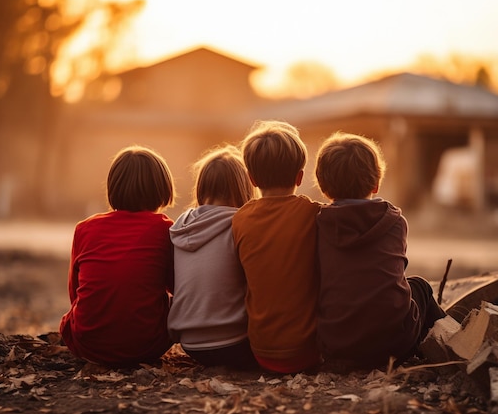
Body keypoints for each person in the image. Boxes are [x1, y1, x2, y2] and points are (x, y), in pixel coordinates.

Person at [314, 131, 446, 370]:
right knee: (421, 287)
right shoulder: (395, 222)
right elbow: (397, 274)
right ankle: (448, 344)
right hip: (394, 345)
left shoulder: (317, 224)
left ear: (323, 185)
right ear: (376, 183)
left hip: (337, 344)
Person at [59, 145, 175, 368]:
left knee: (68, 320)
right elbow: (175, 286)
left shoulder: (84, 228)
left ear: (113, 188)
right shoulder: (165, 229)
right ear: (162, 189)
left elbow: (75, 293)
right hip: (148, 346)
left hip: (89, 345)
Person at [231, 120, 322, 374]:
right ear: (300, 176)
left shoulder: (240, 219)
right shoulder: (313, 214)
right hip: (309, 351)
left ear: (251, 179)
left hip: (260, 351)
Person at [167, 145, 258, 370]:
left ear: (201, 188)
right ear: (244, 187)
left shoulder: (182, 225)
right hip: (235, 343)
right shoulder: (241, 225)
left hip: (190, 344)